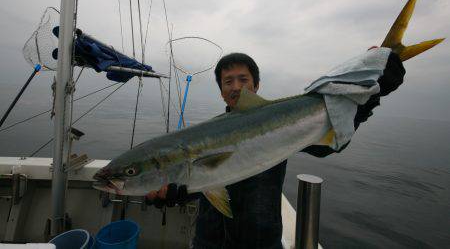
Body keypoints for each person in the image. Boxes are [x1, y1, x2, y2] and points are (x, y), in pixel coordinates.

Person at [147, 49, 405, 248]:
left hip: (263, 243)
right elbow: (205, 182)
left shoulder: (282, 125)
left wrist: (371, 97)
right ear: (221, 92)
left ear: (256, 86)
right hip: (209, 242)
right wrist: (178, 193)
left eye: (243, 79)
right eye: (227, 82)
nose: (236, 86)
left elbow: (327, 144)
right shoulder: (204, 135)